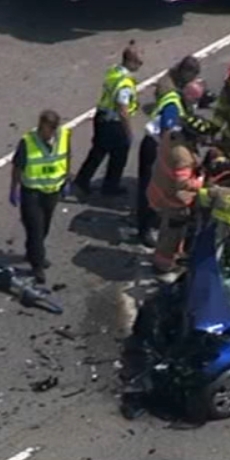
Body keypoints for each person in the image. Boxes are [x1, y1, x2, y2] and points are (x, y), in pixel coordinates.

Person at [136, 56, 202, 247]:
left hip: (160, 145)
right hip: (156, 146)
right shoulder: (173, 104)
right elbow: (169, 133)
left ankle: (152, 219)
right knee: (150, 189)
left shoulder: (180, 98)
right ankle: (145, 228)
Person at [9, 110, 70, 284]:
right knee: (35, 229)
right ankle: (37, 265)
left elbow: (66, 156)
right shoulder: (27, 142)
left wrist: (66, 179)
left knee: (44, 228)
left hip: (52, 191)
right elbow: (17, 167)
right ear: (41, 126)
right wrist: (14, 189)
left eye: (53, 129)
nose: (50, 133)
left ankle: (32, 252)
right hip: (32, 192)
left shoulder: (63, 136)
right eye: (47, 129)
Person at [74, 41, 142, 198]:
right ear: (130, 61)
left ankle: (82, 181)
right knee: (119, 155)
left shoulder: (114, 71)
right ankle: (110, 187)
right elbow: (122, 109)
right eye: (139, 62)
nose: (140, 65)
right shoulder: (125, 83)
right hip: (114, 123)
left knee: (98, 151)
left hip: (101, 117)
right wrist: (129, 133)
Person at [146, 113, 204, 274]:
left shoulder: (171, 136)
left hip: (159, 189)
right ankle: (163, 264)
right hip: (174, 201)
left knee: (167, 228)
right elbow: (182, 183)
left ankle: (167, 255)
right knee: (171, 234)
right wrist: (200, 182)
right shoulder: (183, 157)